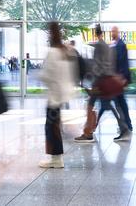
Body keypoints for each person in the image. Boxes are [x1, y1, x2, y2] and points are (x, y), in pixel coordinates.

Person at [75, 24, 130, 143]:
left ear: (96, 33)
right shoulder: (107, 46)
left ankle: (88, 133)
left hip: (101, 81)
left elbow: (97, 65)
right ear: (102, 33)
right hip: (108, 80)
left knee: (91, 105)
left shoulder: (99, 46)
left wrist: (91, 80)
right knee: (109, 105)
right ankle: (123, 129)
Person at [38, 22, 78, 168]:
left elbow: (47, 75)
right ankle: (56, 158)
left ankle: (56, 159)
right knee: (54, 126)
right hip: (61, 94)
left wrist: (39, 75)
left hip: (54, 96)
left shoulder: (53, 52)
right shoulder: (64, 51)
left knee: (51, 127)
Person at [111, 26, 133, 132]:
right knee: (120, 102)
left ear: (117, 32)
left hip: (119, 79)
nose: (112, 33)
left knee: (119, 102)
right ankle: (127, 124)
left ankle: (126, 124)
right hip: (118, 79)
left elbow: (122, 62)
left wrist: (122, 78)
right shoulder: (117, 44)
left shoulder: (120, 45)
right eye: (112, 31)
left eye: (114, 31)